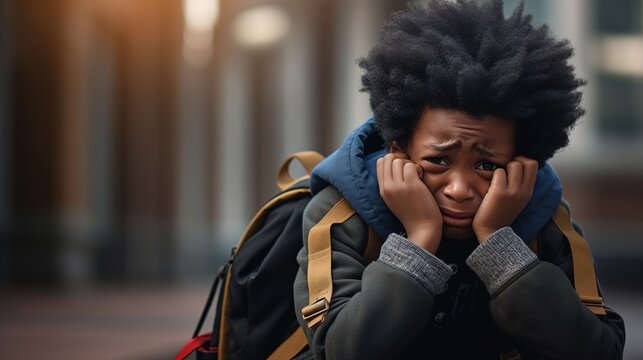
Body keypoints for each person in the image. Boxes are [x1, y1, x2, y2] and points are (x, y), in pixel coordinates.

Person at [292, 0, 626, 359]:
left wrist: (501, 245)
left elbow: (600, 348)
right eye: (438, 160)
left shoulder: (543, 217)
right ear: (399, 150)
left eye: (486, 166)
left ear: (521, 161)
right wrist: (419, 238)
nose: (459, 189)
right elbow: (339, 350)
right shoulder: (342, 212)